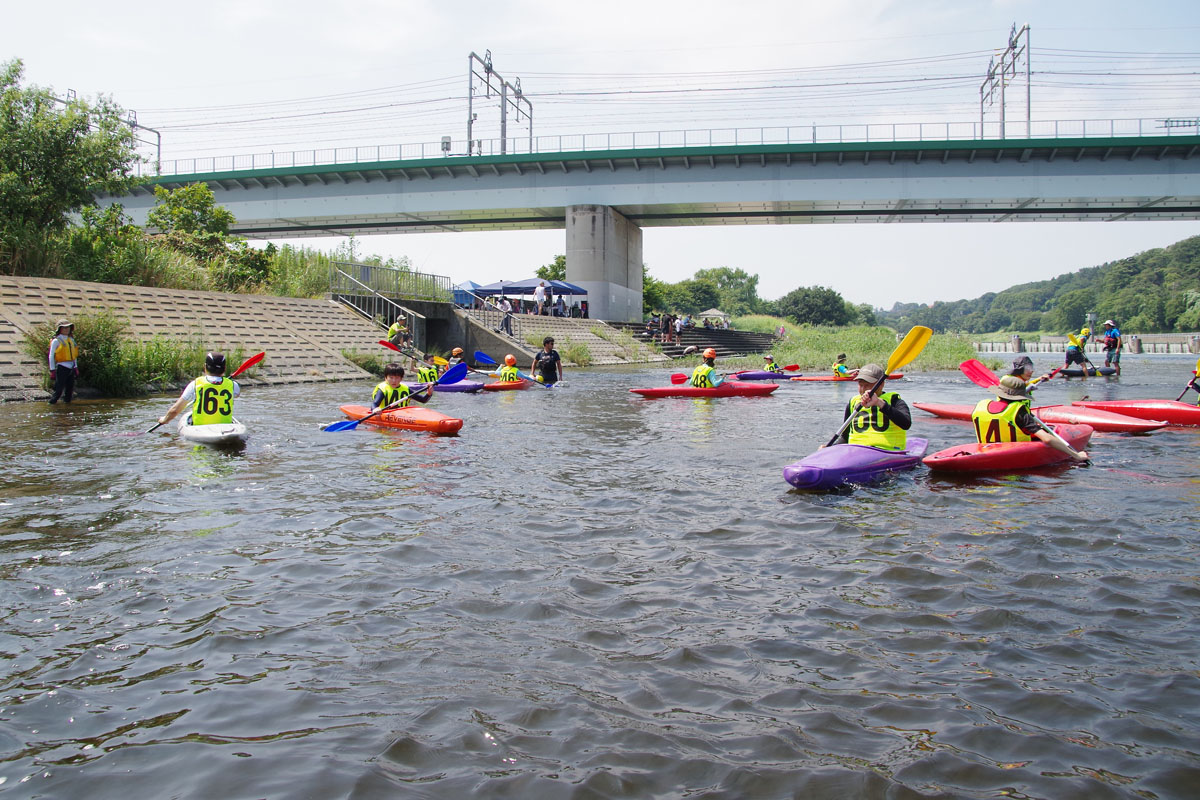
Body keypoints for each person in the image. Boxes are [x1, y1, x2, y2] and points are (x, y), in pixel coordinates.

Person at [971, 375, 1089, 462]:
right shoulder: (1019, 411)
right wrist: (1076, 456)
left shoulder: (981, 405)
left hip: (984, 452)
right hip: (1013, 457)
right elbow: (1047, 439)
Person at [834, 363, 911, 451]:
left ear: (881, 384)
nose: (863, 389)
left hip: (887, 452)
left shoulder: (894, 401)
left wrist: (880, 403)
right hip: (856, 451)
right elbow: (845, 437)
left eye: (867, 385)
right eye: (860, 384)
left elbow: (906, 424)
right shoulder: (853, 403)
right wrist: (830, 450)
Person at [158, 352, 241, 427]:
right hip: (225, 428)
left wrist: (164, 419)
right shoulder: (234, 385)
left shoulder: (195, 384)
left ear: (205, 367)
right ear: (224, 369)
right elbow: (236, 395)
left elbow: (175, 410)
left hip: (200, 428)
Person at [47, 319, 79, 404]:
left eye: (68, 327)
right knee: (58, 391)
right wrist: (52, 370)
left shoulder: (71, 340)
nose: (67, 329)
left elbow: (74, 355)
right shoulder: (56, 341)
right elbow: (51, 355)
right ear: (59, 329)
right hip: (61, 368)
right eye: (64, 328)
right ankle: (51, 406)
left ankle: (67, 410)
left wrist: (76, 367)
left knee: (69, 391)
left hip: (71, 368)